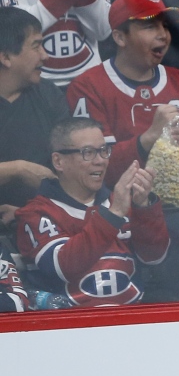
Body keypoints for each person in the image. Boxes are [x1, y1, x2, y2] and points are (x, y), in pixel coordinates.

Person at [66, 0, 179, 193]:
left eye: (165, 26)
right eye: (150, 27)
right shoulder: (87, 87)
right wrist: (150, 136)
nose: (163, 35)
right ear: (120, 38)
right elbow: (94, 170)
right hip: (118, 209)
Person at [15, 117, 170, 307]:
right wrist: (112, 216)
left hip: (131, 319)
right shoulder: (37, 213)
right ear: (59, 161)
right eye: (87, 153)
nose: (100, 161)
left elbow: (154, 257)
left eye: (103, 151)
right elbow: (63, 267)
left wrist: (143, 207)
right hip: (68, 327)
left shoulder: (121, 201)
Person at [0, 7, 64, 213]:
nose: (45, 56)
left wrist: (24, 213)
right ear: (6, 57)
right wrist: (17, 169)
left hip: (43, 218)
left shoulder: (50, 95)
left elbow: (69, 161)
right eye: (36, 46)